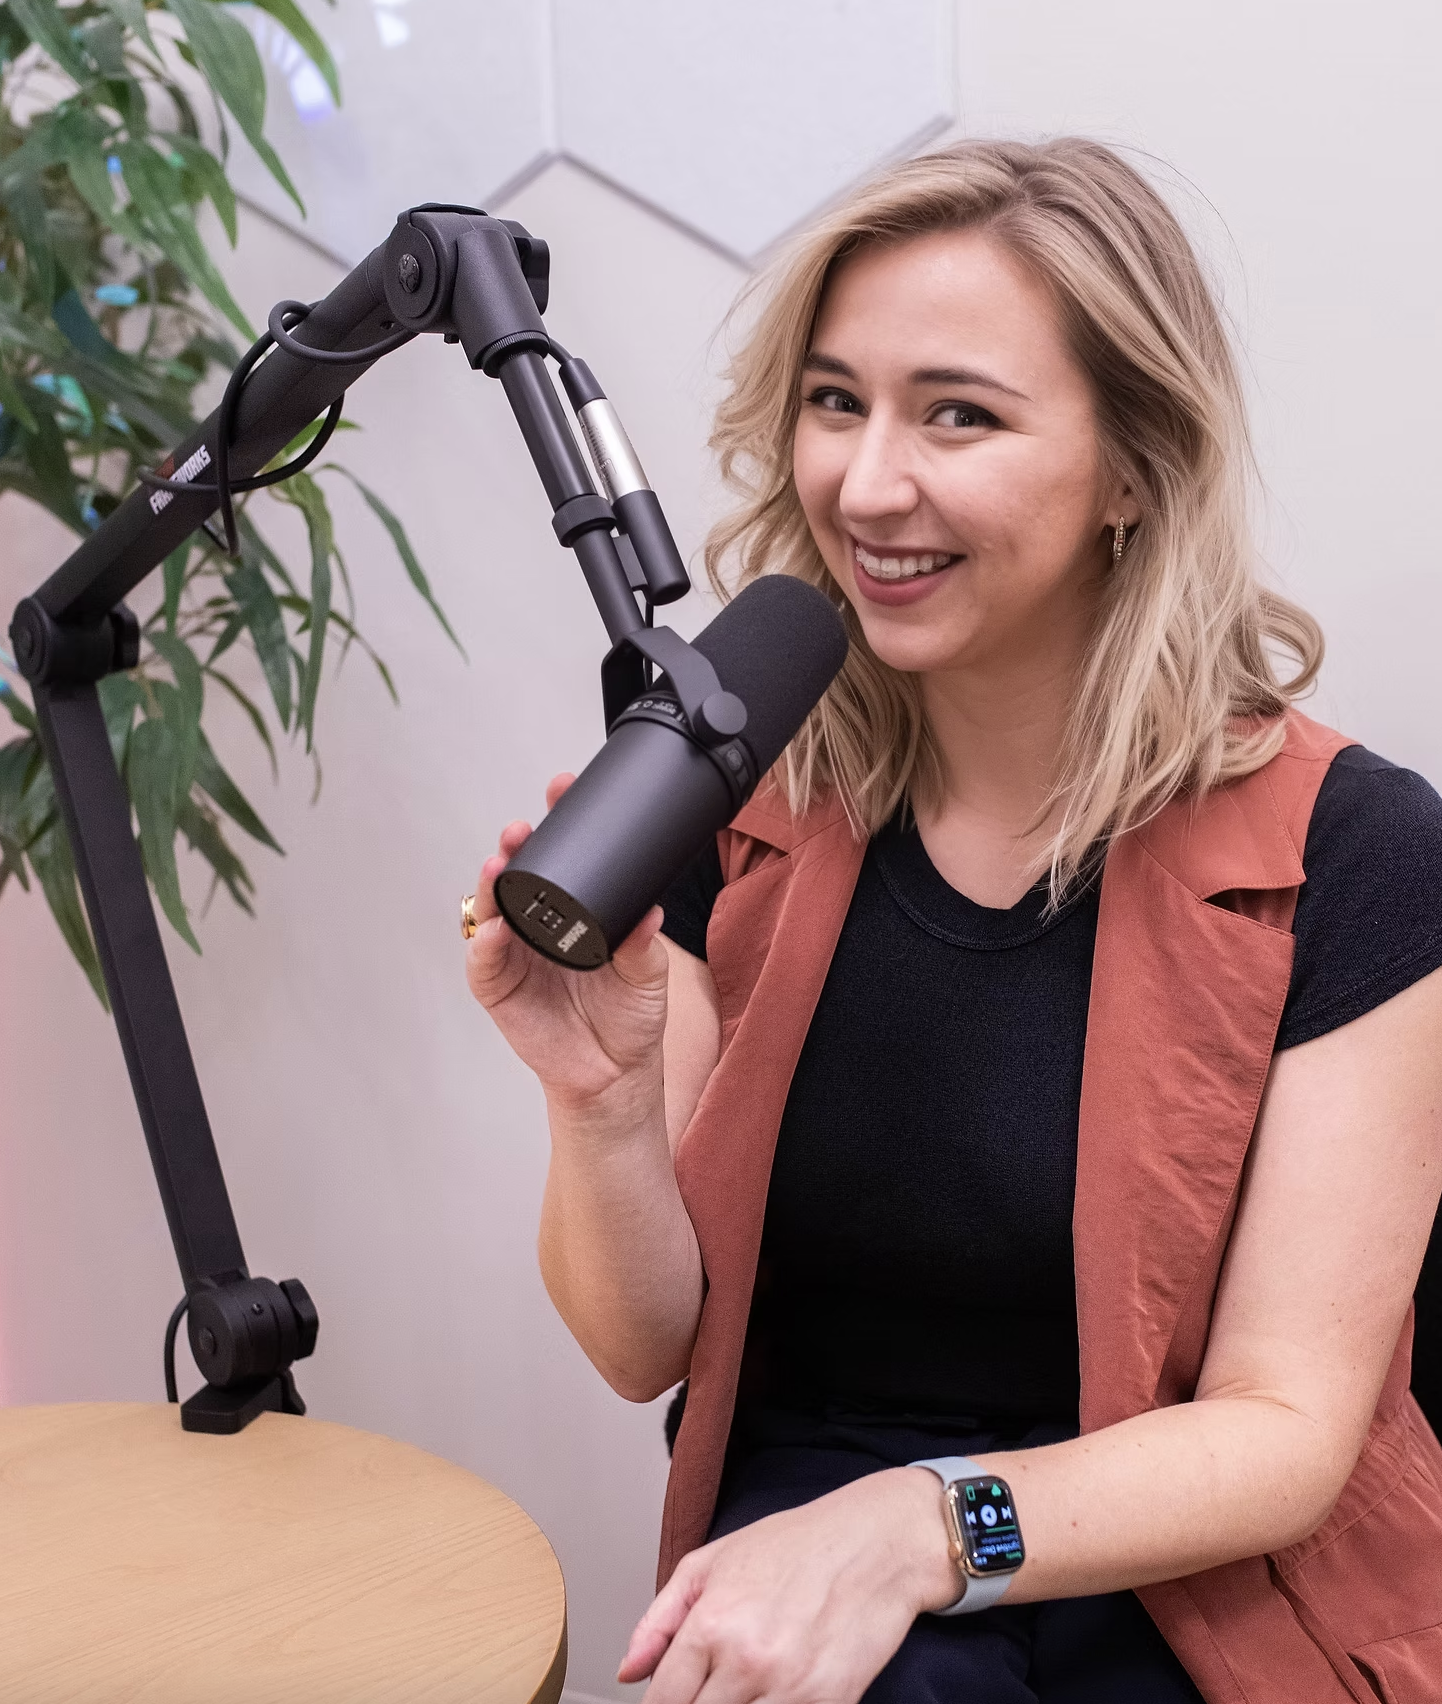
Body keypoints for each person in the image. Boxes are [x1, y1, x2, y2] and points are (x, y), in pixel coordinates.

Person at [464, 139, 1442, 1703]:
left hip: (1196, 1581)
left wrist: (920, 1526)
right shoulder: (739, 797)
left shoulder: (1358, 851)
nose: (865, 484)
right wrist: (595, 1105)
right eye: (835, 401)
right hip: (823, 1552)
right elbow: (644, 1344)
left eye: (958, 415)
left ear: (1131, 468)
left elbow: (1282, 1433)